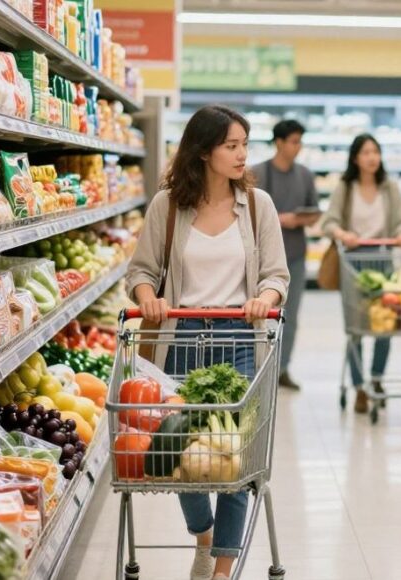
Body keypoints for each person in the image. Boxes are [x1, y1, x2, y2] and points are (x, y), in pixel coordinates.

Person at [126, 104, 290, 580]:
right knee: (183, 456)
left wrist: (265, 296)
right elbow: (141, 270)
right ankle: (203, 534)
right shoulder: (168, 207)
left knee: (232, 457)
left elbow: (277, 273)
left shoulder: (258, 207)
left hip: (240, 339)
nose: (242, 155)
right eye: (231, 146)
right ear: (203, 152)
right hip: (180, 339)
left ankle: (221, 569)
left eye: (245, 145)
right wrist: (147, 298)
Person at [321, 134, 401, 413]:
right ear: (355, 158)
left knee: (384, 325)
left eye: (375, 151)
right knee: (356, 329)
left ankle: (376, 379)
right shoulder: (345, 188)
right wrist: (342, 234)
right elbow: (330, 222)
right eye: (366, 152)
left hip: (383, 261)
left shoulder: (390, 188)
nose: (372, 157)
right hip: (353, 263)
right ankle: (359, 386)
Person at [252, 119, 318, 391]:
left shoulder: (305, 175)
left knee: (290, 317)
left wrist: (301, 219)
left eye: (300, 141)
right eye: (293, 141)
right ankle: (260, 367)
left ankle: (283, 368)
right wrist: (281, 219)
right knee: (262, 315)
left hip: (295, 255)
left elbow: (314, 214)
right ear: (278, 142)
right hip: (262, 260)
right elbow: (249, 215)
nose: (297, 147)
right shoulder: (257, 173)